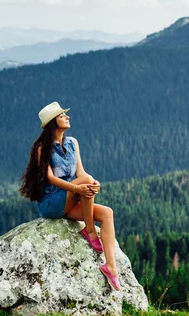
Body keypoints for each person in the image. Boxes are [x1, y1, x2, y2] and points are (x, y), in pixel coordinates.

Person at [18, 101, 120, 290]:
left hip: (69, 200)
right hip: (51, 203)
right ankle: (90, 231)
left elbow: (80, 173)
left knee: (107, 213)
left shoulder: (73, 143)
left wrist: (92, 184)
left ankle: (111, 267)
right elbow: (48, 177)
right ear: (52, 122)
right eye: (62, 115)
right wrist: (78, 189)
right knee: (85, 181)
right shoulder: (42, 147)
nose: (67, 117)